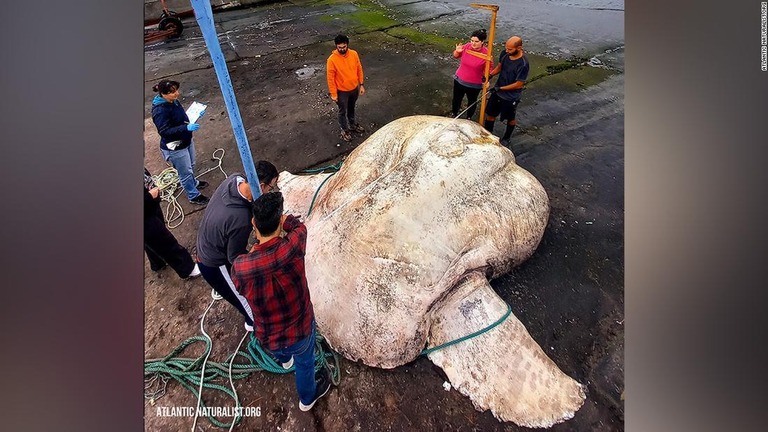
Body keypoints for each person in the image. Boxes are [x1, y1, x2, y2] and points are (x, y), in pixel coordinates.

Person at [231, 192, 332, 411]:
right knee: (305, 365)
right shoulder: (293, 246)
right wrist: (287, 220)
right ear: (279, 222)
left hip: (269, 334)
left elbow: (239, 287)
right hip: (300, 330)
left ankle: (285, 361)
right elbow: (300, 228)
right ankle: (307, 399)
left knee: (282, 352)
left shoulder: (241, 267)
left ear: (253, 223)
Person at [196, 161, 279, 331]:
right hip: (214, 263)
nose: (272, 191)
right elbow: (235, 258)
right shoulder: (241, 219)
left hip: (207, 241)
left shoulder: (235, 179)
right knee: (244, 299)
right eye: (271, 187)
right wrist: (256, 254)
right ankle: (255, 325)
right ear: (261, 186)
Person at [151, 79, 209, 205]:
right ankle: (193, 195)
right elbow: (164, 131)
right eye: (172, 92)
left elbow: (180, 118)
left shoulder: (173, 102)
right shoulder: (160, 111)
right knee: (185, 172)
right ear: (163, 94)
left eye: (176, 90)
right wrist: (185, 128)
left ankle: (194, 183)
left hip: (186, 139)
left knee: (191, 164)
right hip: (174, 146)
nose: (176, 94)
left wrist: (195, 115)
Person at [144, 168, 201, 279]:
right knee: (163, 240)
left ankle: (157, 262)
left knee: (151, 240)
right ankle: (188, 268)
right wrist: (150, 196)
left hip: (150, 205)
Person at [485, 36, 530, 147]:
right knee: (490, 114)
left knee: (510, 118)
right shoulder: (505, 54)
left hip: (511, 96)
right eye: (506, 48)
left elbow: (519, 84)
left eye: (510, 49)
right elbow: (500, 67)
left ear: (519, 47)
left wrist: (501, 88)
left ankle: (507, 137)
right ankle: (488, 134)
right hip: (498, 91)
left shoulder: (523, 64)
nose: (507, 51)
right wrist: (490, 75)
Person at [326, 34, 366, 142]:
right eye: (339, 47)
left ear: (347, 45)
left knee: (351, 108)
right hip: (341, 92)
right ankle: (344, 130)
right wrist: (333, 94)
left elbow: (359, 69)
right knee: (342, 111)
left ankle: (352, 125)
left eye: (344, 47)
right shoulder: (332, 60)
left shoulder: (354, 54)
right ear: (336, 46)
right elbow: (330, 79)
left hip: (354, 89)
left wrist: (361, 84)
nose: (342, 49)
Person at [450, 29, 493, 120]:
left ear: (482, 42)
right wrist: (457, 51)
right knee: (456, 99)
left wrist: (487, 80)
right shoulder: (467, 46)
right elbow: (455, 56)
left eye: (476, 41)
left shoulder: (486, 54)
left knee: (472, 102)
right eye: (472, 41)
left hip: (474, 85)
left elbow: (489, 70)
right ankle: (454, 114)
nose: (473, 43)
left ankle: (469, 118)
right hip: (459, 80)